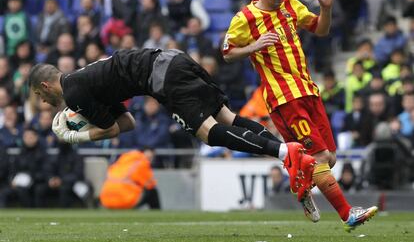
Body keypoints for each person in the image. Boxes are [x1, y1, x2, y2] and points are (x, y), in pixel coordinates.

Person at [28, 47, 316, 202]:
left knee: (209, 133)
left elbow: (111, 131)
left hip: (161, 75)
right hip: (173, 58)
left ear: (45, 85)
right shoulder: (85, 82)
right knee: (227, 118)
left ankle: (284, 154)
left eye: (40, 95)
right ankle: (289, 155)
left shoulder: (74, 93)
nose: (43, 103)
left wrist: (75, 137)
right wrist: (91, 122)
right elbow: (126, 122)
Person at [222, 0, 377, 231]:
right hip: (284, 97)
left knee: (329, 158)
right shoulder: (245, 18)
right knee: (319, 157)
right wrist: (254, 45)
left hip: (308, 90)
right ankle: (347, 214)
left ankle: (301, 183)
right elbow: (226, 53)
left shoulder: (292, 5)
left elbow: (320, 29)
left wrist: (326, 8)